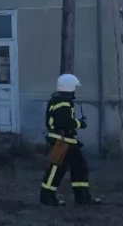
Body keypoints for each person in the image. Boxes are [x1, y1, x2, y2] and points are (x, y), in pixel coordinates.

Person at [40, 73, 100, 206]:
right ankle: (47, 197)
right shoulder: (63, 103)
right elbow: (65, 122)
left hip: (64, 140)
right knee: (57, 169)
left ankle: (82, 197)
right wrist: (80, 123)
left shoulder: (57, 100)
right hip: (61, 141)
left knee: (78, 166)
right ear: (69, 88)